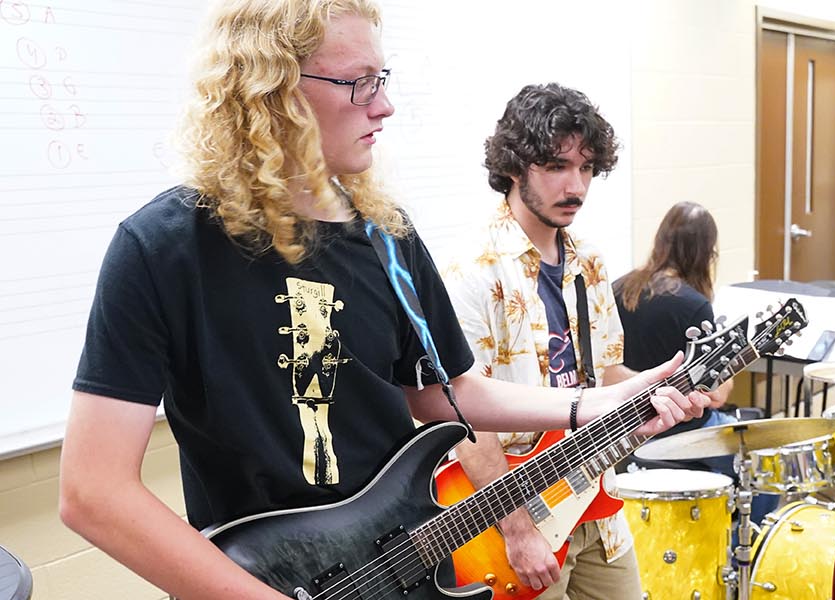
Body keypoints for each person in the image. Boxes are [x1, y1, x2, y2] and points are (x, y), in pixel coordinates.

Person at [55, 4, 704, 598]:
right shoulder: (163, 248)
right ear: (272, 89)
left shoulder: (386, 236)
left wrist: (595, 403)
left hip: (411, 568)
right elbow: (93, 490)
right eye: (358, 82)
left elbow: (444, 391)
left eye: (383, 77)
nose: (385, 105)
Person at [441, 83, 644, 599]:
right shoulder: (473, 272)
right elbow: (460, 415)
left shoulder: (590, 262)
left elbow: (606, 374)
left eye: (587, 168)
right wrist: (516, 529)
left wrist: (667, 386)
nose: (575, 185)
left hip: (594, 497)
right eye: (557, 166)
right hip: (513, 518)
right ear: (514, 166)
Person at [613, 201, 735, 452]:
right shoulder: (695, 305)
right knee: (758, 457)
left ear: (660, 240)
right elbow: (717, 396)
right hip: (678, 431)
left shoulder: (617, 288)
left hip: (624, 433)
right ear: (706, 253)